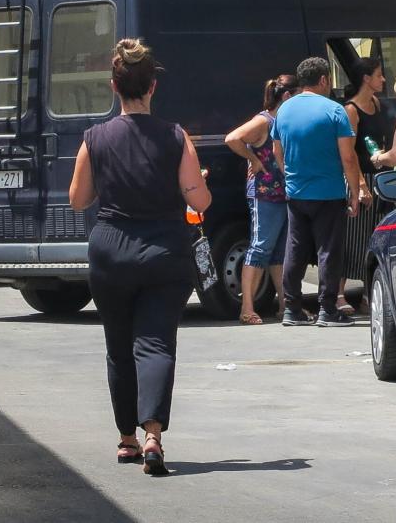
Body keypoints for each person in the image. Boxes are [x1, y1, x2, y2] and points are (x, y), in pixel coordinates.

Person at [69, 38, 210, 477]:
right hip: (165, 251)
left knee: (118, 347)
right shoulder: (175, 136)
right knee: (156, 342)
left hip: (111, 250)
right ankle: (153, 435)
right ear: (152, 87)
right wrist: (198, 181)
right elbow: (199, 201)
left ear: (115, 86)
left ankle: (126, 440)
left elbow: (78, 200)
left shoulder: (95, 138)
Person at [273, 57, 362, 328]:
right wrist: (354, 192)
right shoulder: (335, 111)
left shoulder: (285, 110)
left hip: (296, 192)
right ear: (324, 80)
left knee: (295, 248)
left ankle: (292, 307)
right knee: (329, 250)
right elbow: (348, 157)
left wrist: (290, 174)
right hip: (328, 191)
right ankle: (327, 308)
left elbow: (278, 151)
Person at [224, 74, 298, 325]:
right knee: (260, 247)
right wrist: (254, 160)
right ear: (287, 96)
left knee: (278, 251)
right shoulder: (264, 120)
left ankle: (284, 304)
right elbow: (233, 138)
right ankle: (247, 307)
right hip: (264, 193)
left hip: (282, 192)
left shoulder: (281, 120)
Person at [340, 58, 387, 315]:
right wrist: (359, 185)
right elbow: (350, 151)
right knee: (353, 238)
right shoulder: (351, 110)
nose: (383, 80)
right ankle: (339, 293)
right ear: (366, 79)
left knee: (373, 238)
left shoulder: (377, 104)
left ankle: (370, 294)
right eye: (379, 75)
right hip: (359, 178)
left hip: (379, 176)